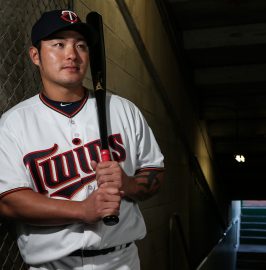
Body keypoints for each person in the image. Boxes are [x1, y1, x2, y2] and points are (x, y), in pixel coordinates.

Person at [0, 9, 164, 270]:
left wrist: (129, 184)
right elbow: (9, 202)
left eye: (81, 46)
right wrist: (82, 211)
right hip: (53, 265)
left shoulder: (124, 110)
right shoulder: (14, 123)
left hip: (122, 261)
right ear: (35, 56)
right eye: (58, 44)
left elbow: (154, 172)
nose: (71, 55)